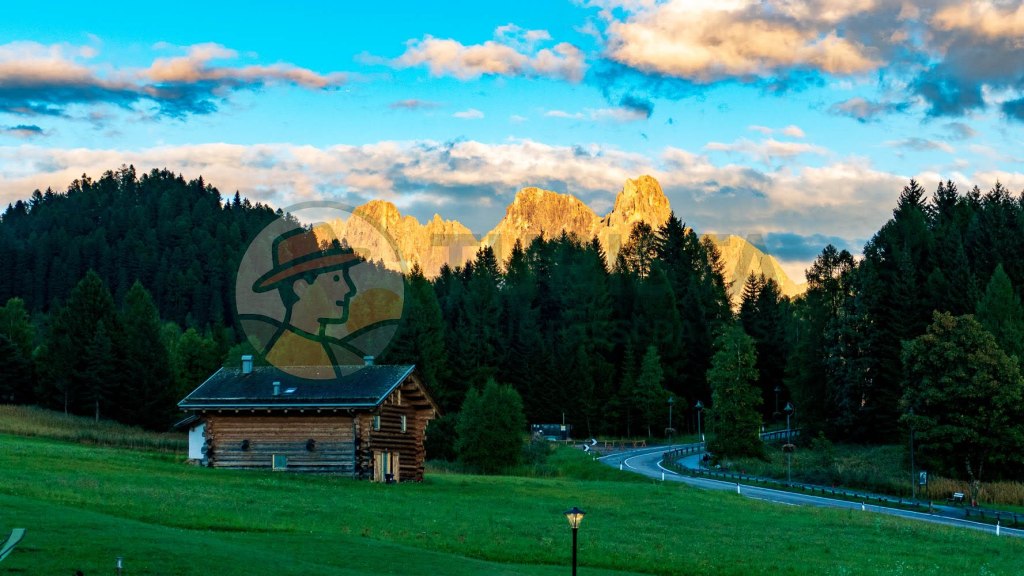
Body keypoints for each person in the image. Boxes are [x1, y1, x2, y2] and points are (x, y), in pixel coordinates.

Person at [251, 227, 362, 370]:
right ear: (300, 287)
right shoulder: (289, 357)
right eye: (336, 278)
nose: (349, 289)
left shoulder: (293, 351)